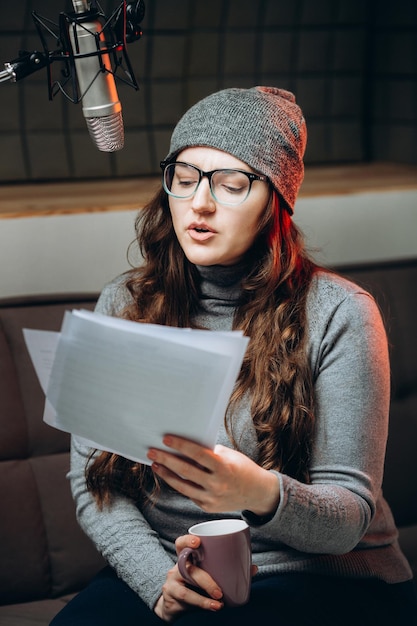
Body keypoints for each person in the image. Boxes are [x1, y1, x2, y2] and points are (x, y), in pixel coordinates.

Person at [50, 86, 417, 626]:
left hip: (319, 575)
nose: (200, 202)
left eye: (231, 183)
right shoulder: (123, 304)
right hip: (180, 568)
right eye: (185, 176)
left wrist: (256, 491)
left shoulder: (342, 314)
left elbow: (350, 518)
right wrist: (158, 581)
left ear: (276, 201)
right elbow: (93, 481)